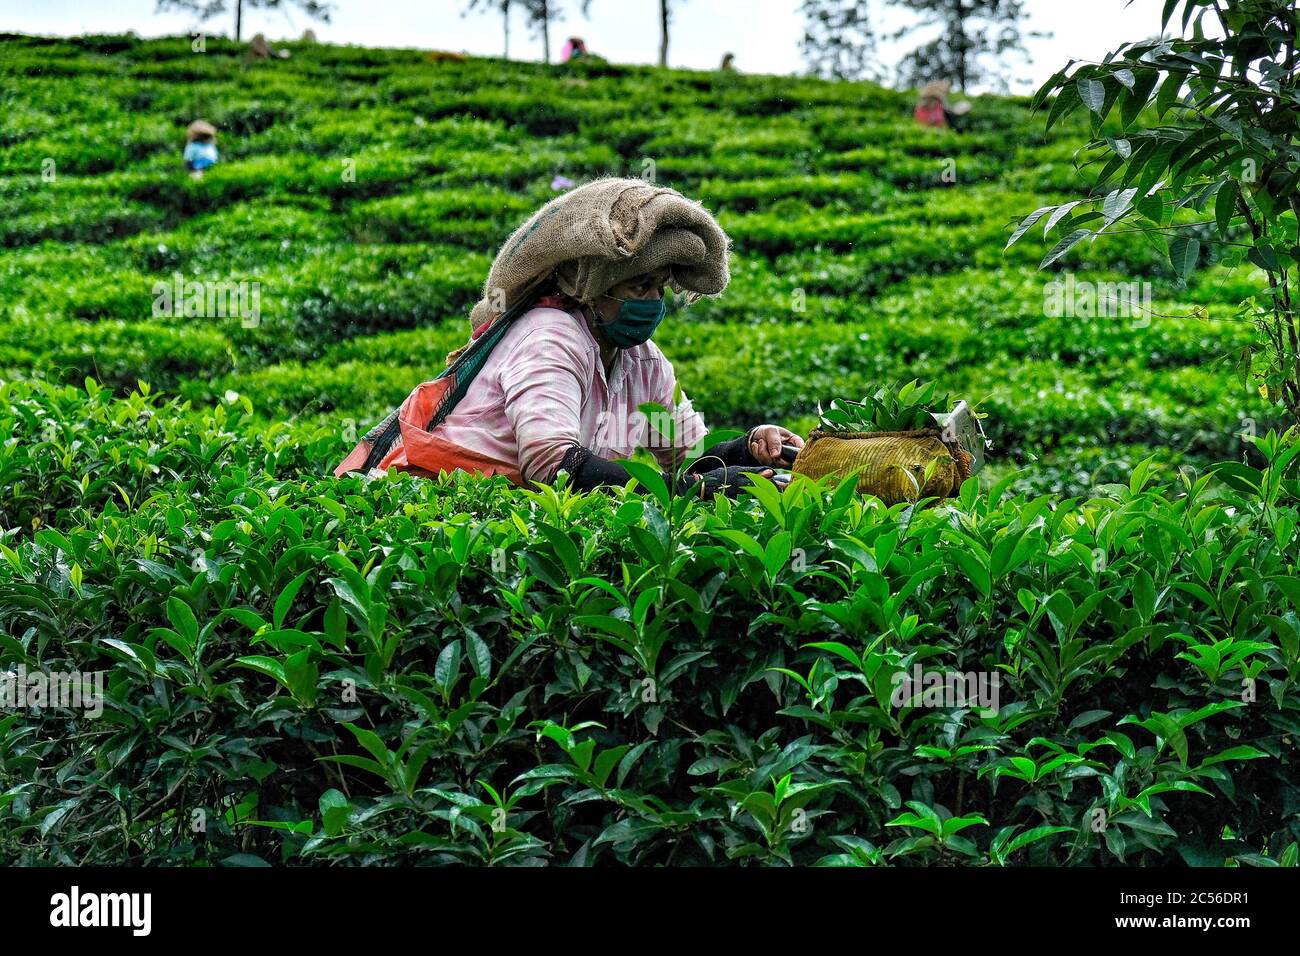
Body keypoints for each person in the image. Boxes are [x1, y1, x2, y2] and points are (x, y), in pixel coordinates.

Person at [335, 177, 804, 496]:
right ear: (594, 290)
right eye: (639, 286)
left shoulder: (642, 360)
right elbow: (554, 466)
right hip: (445, 509)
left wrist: (745, 450)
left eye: (659, 287)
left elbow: (685, 454)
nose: (653, 301)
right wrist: (694, 490)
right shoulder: (550, 338)